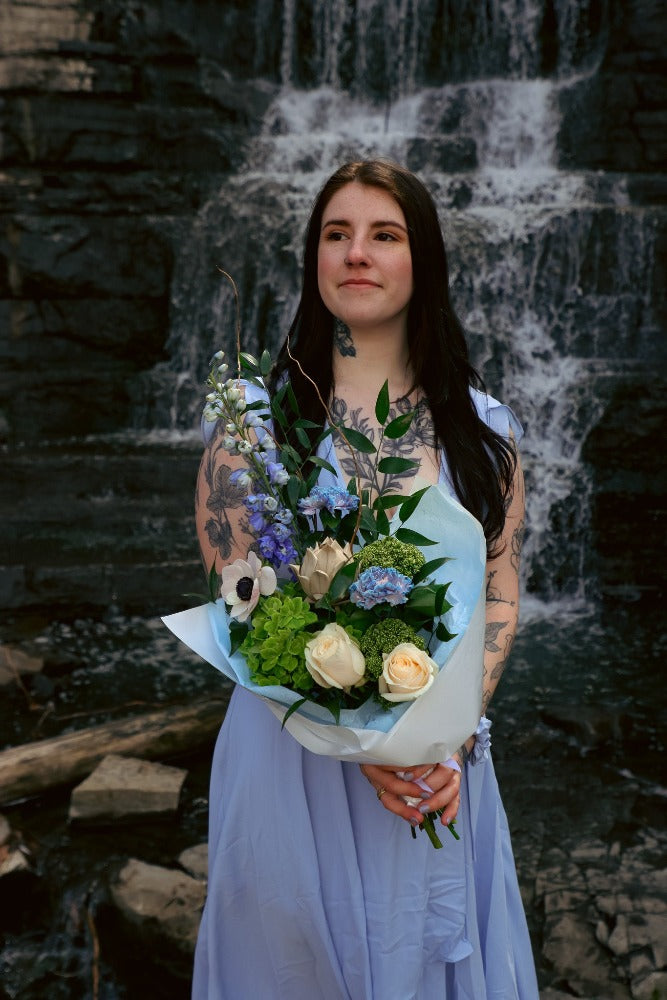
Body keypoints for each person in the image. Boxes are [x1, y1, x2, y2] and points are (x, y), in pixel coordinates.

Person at [192, 160, 538, 999]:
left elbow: (498, 592)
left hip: (435, 775)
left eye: (384, 235)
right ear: (313, 259)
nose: (357, 253)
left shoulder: (482, 433)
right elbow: (238, 597)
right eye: (335, 235)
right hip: (288, 763)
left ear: (422, 262)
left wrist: (443, 735)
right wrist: (352, 740)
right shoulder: (255, 421)